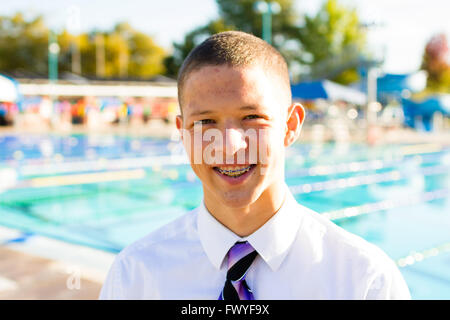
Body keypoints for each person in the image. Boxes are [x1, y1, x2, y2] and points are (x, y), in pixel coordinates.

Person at [99, 31, 411, 300]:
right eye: (205, 122)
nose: (229, 145)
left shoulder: (364, 281)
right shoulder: (136, 276)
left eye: (252, 118)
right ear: (183, 132)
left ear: (291, 125)